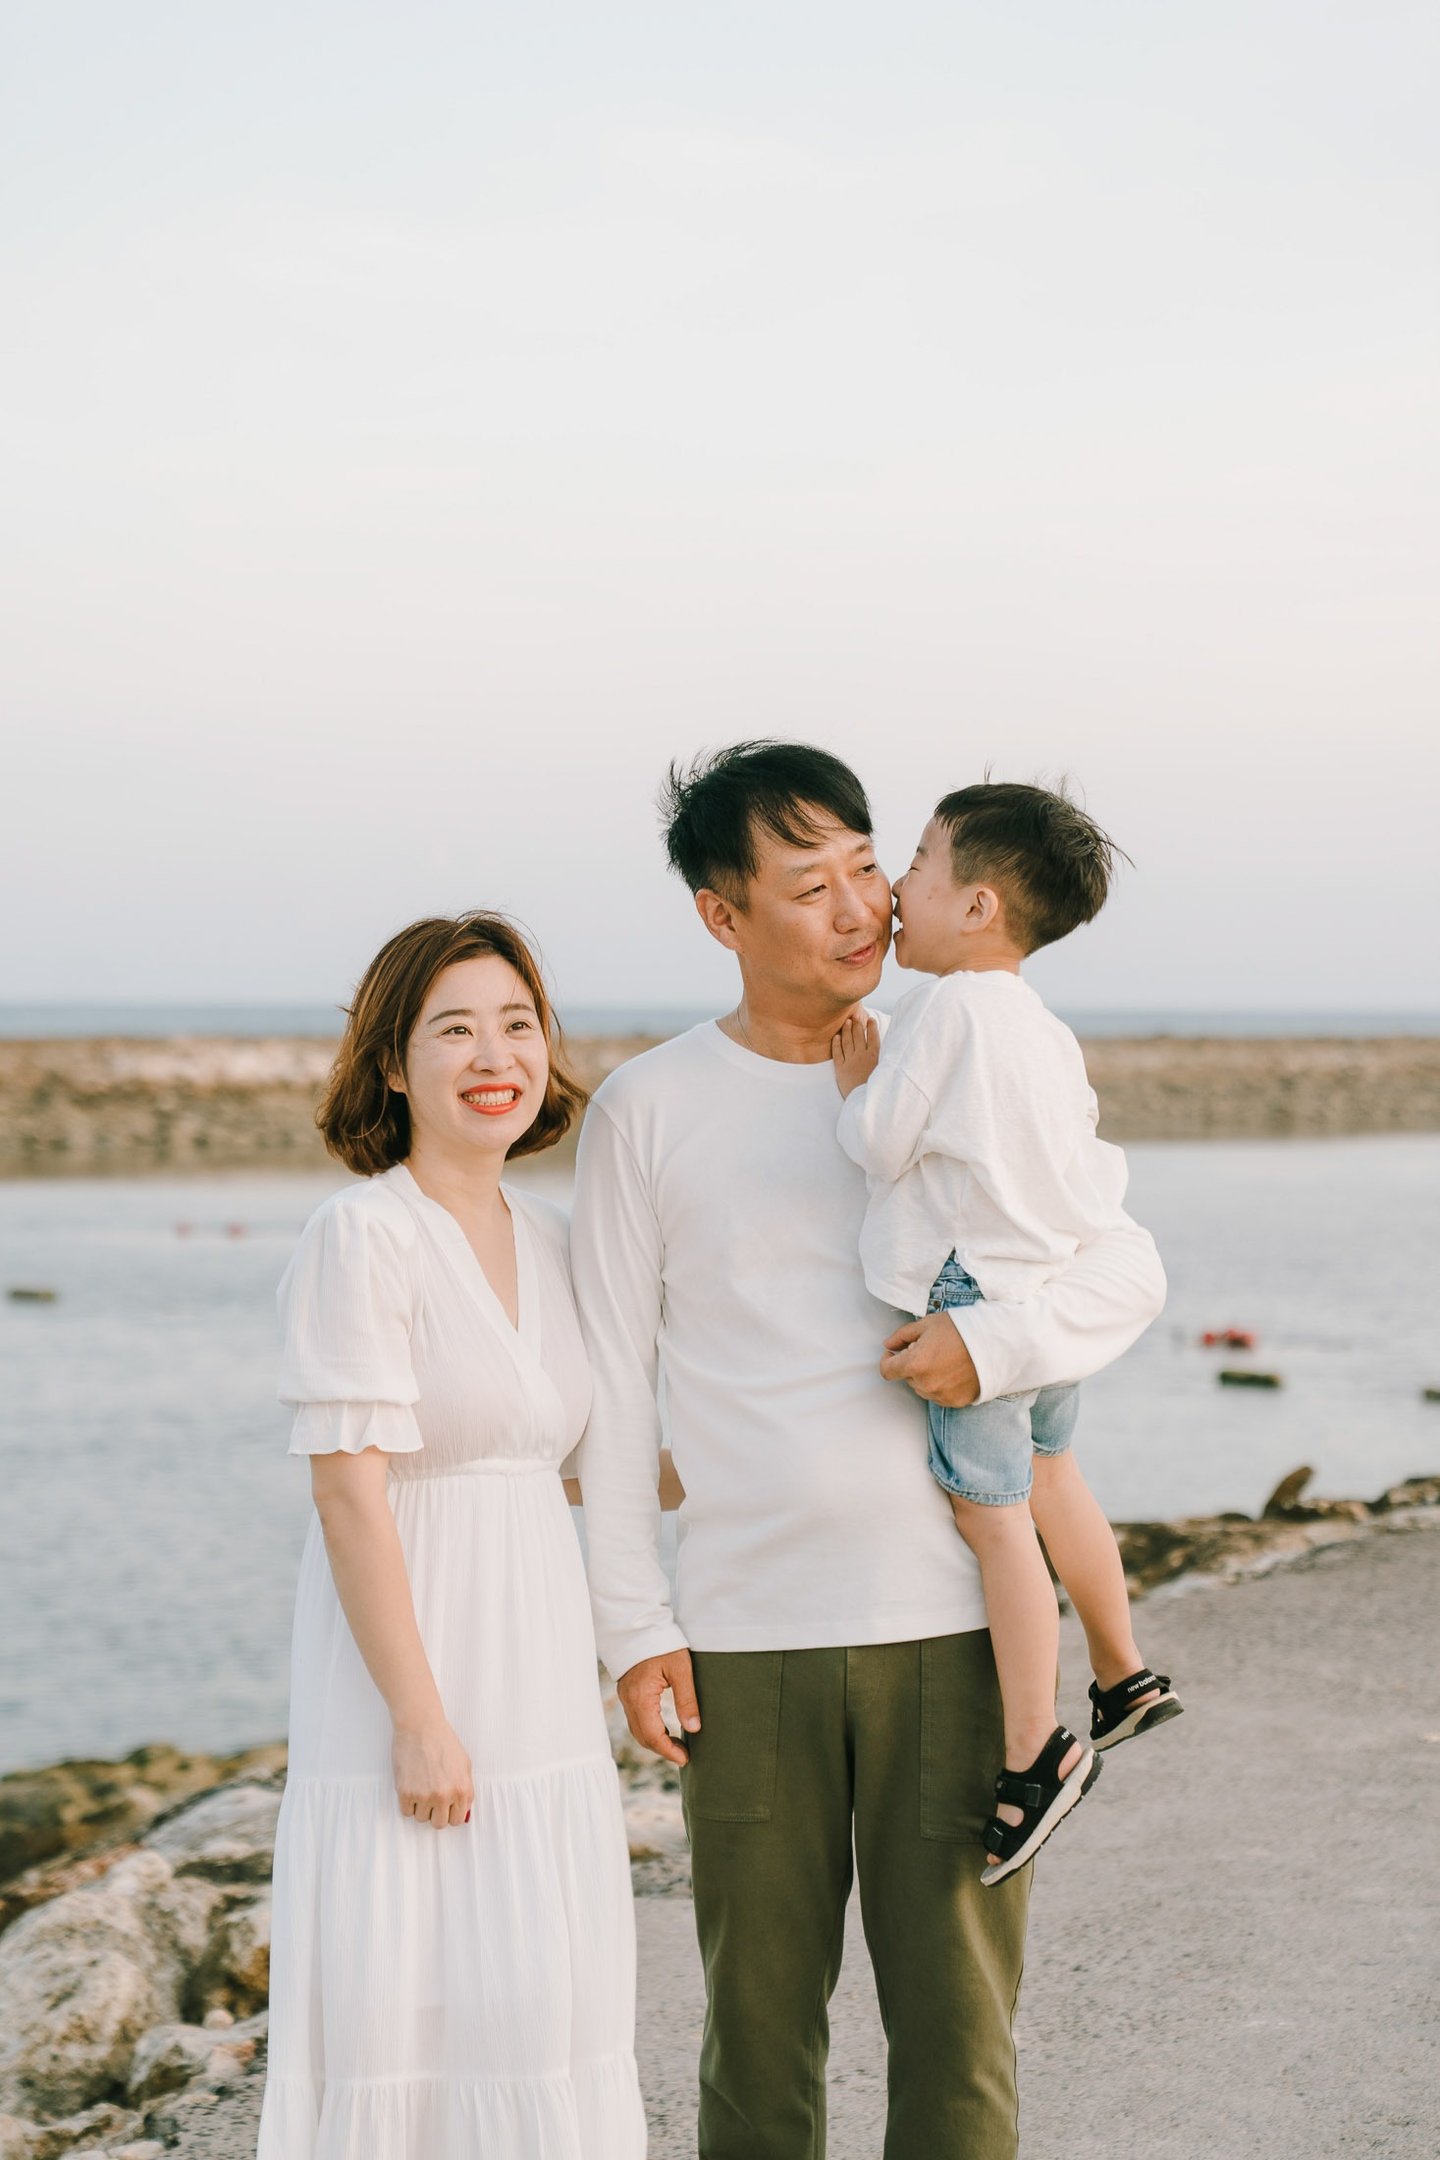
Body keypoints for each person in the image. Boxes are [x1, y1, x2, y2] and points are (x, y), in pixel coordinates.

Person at [569, 741, 1167, 2160]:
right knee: (756, 2043)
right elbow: (610, 1391)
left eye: (866, 867)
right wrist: (634, 1629)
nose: (860, 908)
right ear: (723, 915)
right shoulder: (648, 1108)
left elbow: (1126, 1265)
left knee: (960, 2044)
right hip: (743, 1641)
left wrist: (993, 1347)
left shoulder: (961, 1045)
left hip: (954, 1628)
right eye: (809, 885)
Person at [257, 913, 646, 2160]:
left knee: (538, 2003)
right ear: (392, 1062)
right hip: (410, 1682)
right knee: (409, 2008)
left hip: (541, 1682)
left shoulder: (558, 1238)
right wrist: (419, 1721)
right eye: (456, 1029)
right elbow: (347, 1494)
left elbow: (596, 1470)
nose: (496, 1056)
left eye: (519, 1025)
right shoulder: (362, 1234)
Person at [831, 782, 1182, 1891]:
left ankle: (1037, 1749)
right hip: (1047, 1283)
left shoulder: (944, 1012)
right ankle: (1123, 1672)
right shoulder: (1043, 1028)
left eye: (918, 864)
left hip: (973, 1296)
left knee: (994, 1526)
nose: (897, 887)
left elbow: (881, 1144)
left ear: (977, 906)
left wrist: (858, 1083)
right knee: (1056, 1478)